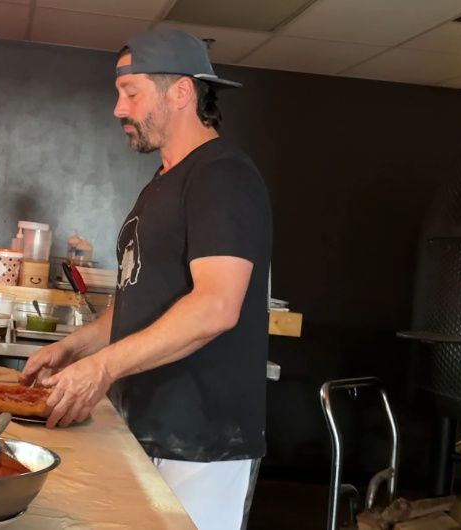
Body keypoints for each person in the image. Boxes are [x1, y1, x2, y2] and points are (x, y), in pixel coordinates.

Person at [21, 28, 273, 530]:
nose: (118, 108)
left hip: (201, 443)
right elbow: (141, 300)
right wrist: (79, 346)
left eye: (131, 92)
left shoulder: (222, 176)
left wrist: (103, 368)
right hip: (146, 425)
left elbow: (216, 306)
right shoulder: (162, 184)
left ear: (181, 91)